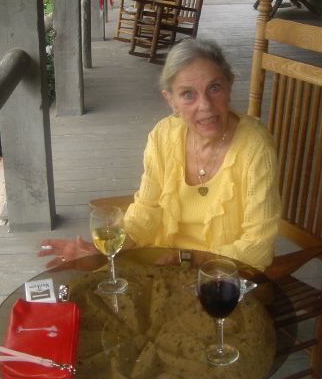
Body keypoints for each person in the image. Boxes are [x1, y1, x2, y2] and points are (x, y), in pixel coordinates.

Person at [38, 38, 281, 272]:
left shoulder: (254, 147)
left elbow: (257, 247)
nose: (205, 105)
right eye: (188, 94)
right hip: (160, 262)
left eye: (214, 88)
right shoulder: (163, 135)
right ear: (171, 101)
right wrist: (101, 252)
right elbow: (147, 209)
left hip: (220, 273)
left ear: (230, 85)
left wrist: (189, 259)